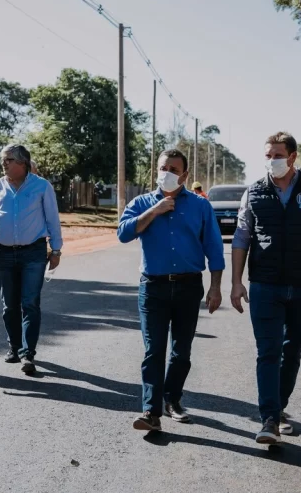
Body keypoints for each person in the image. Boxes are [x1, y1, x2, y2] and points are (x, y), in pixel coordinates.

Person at [230, 132, 301, 445]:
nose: (271, 160)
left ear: (292, 157)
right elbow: (241, 239)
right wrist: (237, 282)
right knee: (268, 352)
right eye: (267, 155)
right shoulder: (254, 193)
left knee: (292, 351)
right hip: (264, 285)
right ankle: (268, 419)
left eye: (277, 155)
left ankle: (278, 409)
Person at [118, 149, 225, 431]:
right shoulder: (142, 202)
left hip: (189, 286)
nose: (167, 173)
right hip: (153, 287)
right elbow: (123, 233)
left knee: (181, 352)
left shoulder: (200, 206)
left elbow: (214, 247)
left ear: (185, 175)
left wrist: (215, 287)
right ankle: (150, 412)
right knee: (153, 350)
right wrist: (154, 211)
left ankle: (172, 400)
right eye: (163, 167)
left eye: (174, 169)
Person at [0, 144, 63, 375]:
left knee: (30, 303)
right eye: (3, 159)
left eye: (8, 159)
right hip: (4, 253)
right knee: (9, 305)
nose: (4, 163)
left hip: (33, 253)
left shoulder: (42, 186)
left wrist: (56, 250)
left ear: (23, 163)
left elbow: (52, 219)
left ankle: (28, 354)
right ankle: (14, 347)